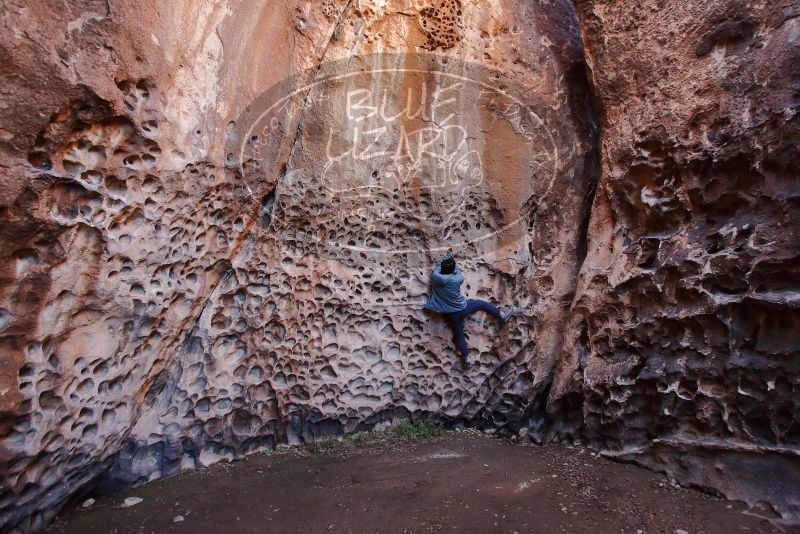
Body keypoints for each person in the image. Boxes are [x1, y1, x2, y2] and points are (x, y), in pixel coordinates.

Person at [425, 250, 520, 365]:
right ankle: (502, 315)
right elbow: (456, 269)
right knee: (481, 304)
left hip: (451, 313)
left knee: (459, 334)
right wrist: (451, 257)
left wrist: (445, 258)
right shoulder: (458, 279)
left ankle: (466, 358)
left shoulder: (436, 277)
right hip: (463, 307)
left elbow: (438, 266)